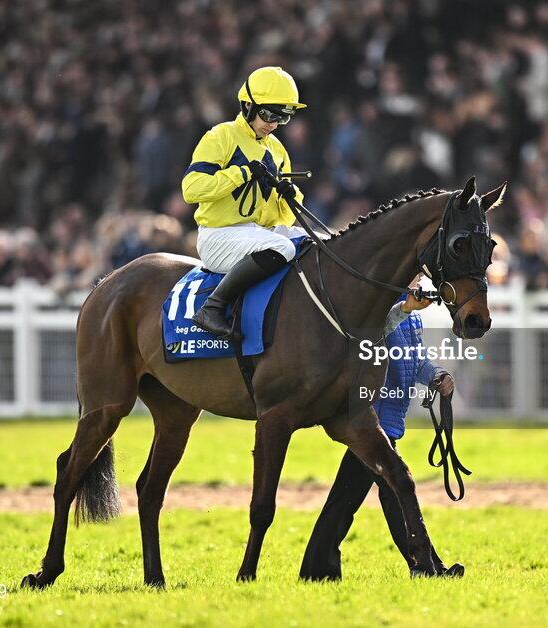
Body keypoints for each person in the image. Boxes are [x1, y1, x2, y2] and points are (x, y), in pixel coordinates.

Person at [300, 279, 463, 581]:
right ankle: (427, 568)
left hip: (386, 420)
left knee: (354, 499)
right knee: (393, 491)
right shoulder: (379, 304)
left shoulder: (412, 314)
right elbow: (375, 334)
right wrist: (404, 307)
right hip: (371, 421)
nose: (420, 279)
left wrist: (436, 375)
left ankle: (317, 570)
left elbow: (414, 361)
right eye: (415, 272)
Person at [183, 66, 309, 339]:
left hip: (257, 234)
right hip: (219, 236)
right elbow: (191, 189)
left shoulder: (277, 150)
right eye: (268, 114)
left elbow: (282, 220)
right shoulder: (221, 136)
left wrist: (290, 195)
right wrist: (241, 173)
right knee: (283, 247)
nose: (273, 124)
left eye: (283, 118)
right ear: (247, 105)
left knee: (313, 241)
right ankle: (212, 307)